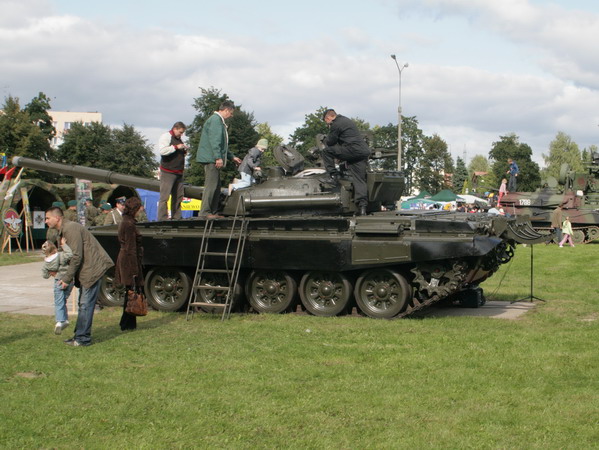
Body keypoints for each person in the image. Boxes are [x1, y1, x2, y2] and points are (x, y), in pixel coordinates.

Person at [44, 206, 114, 346]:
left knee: (85, 305)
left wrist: (66, 278)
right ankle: (79, 336)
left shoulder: (71, 229)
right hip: (86, 270)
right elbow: (66, 256)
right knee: (83, 304)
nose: (46, 221)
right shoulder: (63, 231)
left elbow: (76, 256)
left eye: (47, 218)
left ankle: (82, 339)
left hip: (91, 269)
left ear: (57, 217)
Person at [319, 109, 371, 216]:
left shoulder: (336, 124)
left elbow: (330, 142)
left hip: (353, 150)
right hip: (362, 152)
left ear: (328, 118)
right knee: (360, 180)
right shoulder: (346, 120)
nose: (327, 124)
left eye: (326, 122)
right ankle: (362, 207)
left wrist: (325, 139)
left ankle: (333, 175)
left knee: (326, 152)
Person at [196, 101, 242, 217]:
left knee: (216, 187)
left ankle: (213, 211)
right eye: (231, 113)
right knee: (211, 186)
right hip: (211, 159)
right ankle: (205, 212)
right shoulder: (216, 120)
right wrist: (218, 157)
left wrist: (232, 157)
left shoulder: (218, 121)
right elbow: (215, 141)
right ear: (226, 110)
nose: (231, 116)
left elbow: (222, 145)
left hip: (213, 158)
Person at [114, 197, 144, 331]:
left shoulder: (126, 221)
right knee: (131, 293)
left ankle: (128, 323)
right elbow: (131, 248)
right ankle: (127, 323)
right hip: (128, 260)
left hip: (126, 258)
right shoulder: (129, 224)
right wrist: (134, 270)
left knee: (130, 293)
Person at [41, 237, 74, 335]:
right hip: (69, 280)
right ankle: (65, 319)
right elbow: (70, 254)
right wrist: (64, 245)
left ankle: (60, 321)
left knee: (59, 302)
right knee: (63, 300)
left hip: (58, 281)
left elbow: (45, 275)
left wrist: (51, 273)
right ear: (55, 249)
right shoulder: (60, 256)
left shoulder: (46, 263)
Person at [158, 121, 188, 221]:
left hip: (179, 172)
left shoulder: (178, 139)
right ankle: (162, 219)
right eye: (180, 132)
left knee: (178, 197)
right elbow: (162, 151)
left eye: (182, 133)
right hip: (168, 172)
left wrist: (183, 151)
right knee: (164, 197)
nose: (181, 134)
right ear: (174, 129)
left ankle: (177, 217)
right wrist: (176, 147)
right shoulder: (166, 136)